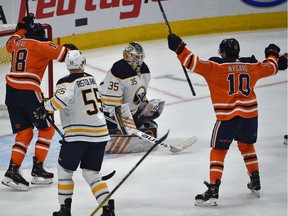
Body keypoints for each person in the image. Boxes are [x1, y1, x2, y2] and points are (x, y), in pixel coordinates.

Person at [167, 34, 287, 206]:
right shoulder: (250, 65)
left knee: (218, 151)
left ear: (223, 53)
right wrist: (273, 54)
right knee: (247, 146)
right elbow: (272, 67)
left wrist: (179, 47)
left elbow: (192, 62)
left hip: (227, 118)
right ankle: (255, 179)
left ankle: (214, 189)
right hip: (250, 116)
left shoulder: (215, 66)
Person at [34, 50, 115, 216]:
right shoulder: (91, 79)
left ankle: (65, 210)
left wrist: (44, 108)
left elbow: (59, 101)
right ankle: (107, 208)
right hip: (100, 134)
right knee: (92, 174)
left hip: (79, 136)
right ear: (82, 63)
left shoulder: (66, 82)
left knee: (64, 171)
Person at [1, 13, 76, 191]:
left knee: (25, 132)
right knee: (47, 128)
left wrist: (21, 28)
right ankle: (37, 169)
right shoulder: (42, 44)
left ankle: (12, 171)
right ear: (43, 35)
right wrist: (71, 49)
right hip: (28, 91)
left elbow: (10, 41)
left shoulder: (17, 43)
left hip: (11, 92)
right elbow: (66, 54)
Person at [100, 42, 164, 153]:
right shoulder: (119, 70)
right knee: (121, 124)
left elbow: (141, 94)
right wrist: (124, 122)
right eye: (136, 57)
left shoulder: (144, 70)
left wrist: (144, 107)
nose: (139, 60)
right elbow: (111, 104)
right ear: (128, 56)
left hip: (129, 111)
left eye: (141, 57)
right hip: (109, 113)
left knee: (145, 116)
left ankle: (134, 122)